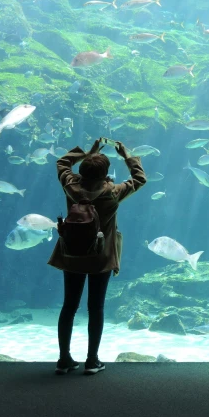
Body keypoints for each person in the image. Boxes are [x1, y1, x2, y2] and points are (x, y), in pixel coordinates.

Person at [47, 138, 146, 375]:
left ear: (82, 171)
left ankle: (64, 359)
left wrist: (87, 152)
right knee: (96, 308)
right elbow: (140, 179)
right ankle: (92, 360)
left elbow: (62, 163)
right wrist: (127, 155)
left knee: (69, 307)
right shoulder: (112, 193)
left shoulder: (71, 187)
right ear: (105, 174)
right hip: (101, 257)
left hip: (71, 255)